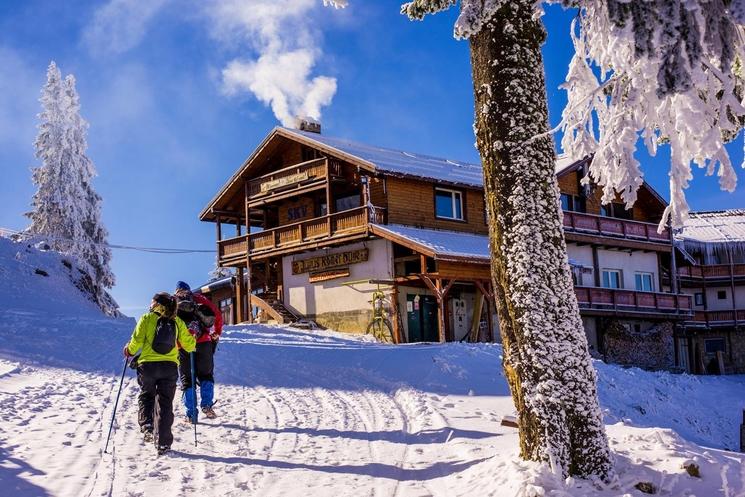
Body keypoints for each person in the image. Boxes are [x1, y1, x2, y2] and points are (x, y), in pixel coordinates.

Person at [124, 292, 196, 455]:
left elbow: (136, 344)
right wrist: (192, 338)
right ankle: (163, 442)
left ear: (157, 305)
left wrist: (128, 350)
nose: (150, 305)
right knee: (165, 403)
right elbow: (190, 346)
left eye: (153, 302)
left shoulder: (147, 319)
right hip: (169, 367)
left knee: (147, 395)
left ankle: (147, 426)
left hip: (147, 366)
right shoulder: (177, 321)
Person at [174, 281, 223, 422]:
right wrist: (217, 332)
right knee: (206, 375)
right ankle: (207, 404)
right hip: (204, 343)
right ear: (189, 290)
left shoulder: (174, 301)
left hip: (183, 345)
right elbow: (217, 315)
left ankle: (190, 413)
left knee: (186, 379)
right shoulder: (200, 299)